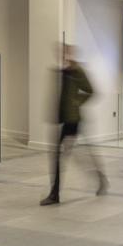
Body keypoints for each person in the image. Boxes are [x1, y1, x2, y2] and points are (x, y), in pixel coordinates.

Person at [41, 44, 107, 205]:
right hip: (63, 119)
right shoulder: (61, 72)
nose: (62, 55)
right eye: (60, 53)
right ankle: (100, 178)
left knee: (63, 156)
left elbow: (91, 91)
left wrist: (77, 102)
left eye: (65, 52)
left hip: (73, 120)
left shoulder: (77, 72)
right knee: (77, 155)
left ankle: (55, 195)